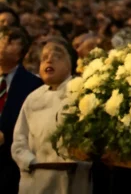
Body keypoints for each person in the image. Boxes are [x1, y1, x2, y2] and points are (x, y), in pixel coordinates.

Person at [12, 36, 90, 193]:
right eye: (44, 58)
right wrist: (31, 163)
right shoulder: (33, 98)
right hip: (35, 178)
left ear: (72, 64)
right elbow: (19, 140)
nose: (49, 60)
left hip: (71, 178)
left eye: (58, 56)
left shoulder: (82, 93)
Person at [0, 26, 43, 193]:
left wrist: (7, 134)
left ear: (21, 51)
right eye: (2, 38)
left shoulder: (32, 84)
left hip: (11, 164)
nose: (2, 43)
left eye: (10, 41)